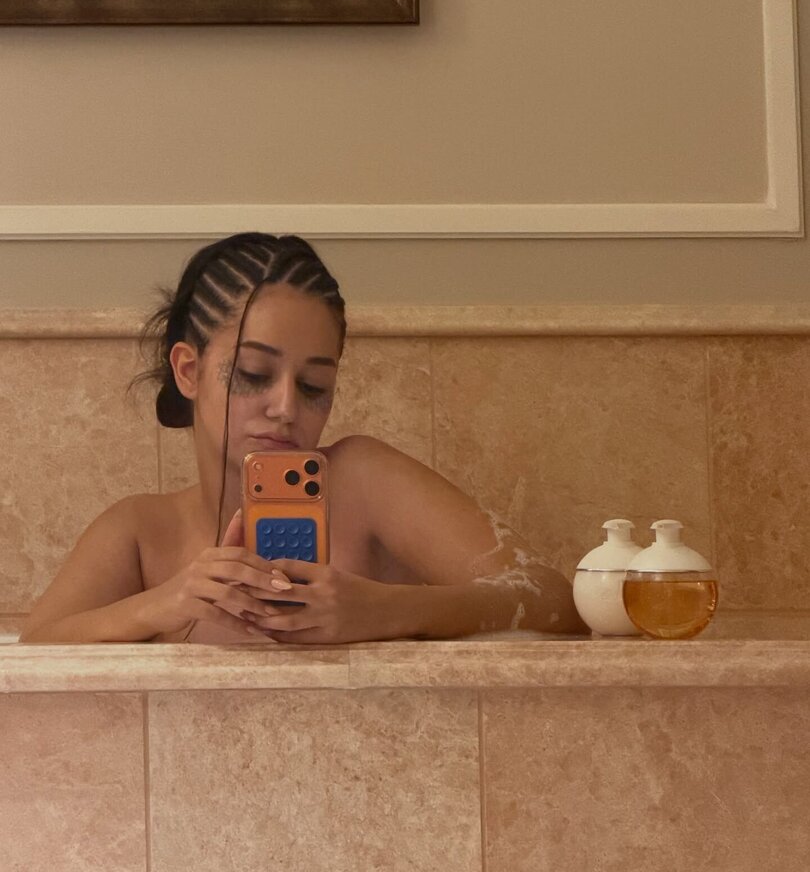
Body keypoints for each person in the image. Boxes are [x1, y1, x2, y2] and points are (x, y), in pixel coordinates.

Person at [19, 232, 587, 644]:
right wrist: (163, 603)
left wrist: (388, 609)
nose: (287, 408)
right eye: (254, 374)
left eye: (314, 385)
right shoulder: (142, 532)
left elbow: (553, 599)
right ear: (189, 371)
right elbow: (33, 652)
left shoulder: (362, 481)